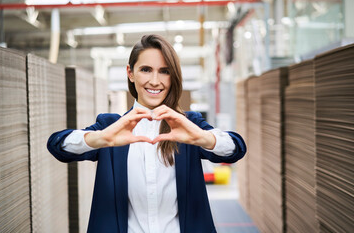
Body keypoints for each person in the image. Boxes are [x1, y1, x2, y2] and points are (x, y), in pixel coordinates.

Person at [47, 34, 246, 233]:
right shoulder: (111, 126)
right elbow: (57, 145)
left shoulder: (188, 125)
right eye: (145, 70)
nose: (154, 81)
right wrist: (100, 138)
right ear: (130, 73)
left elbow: (236, 148)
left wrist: (202, 137)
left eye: (164, 71)